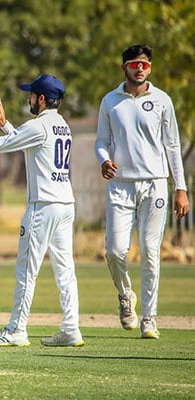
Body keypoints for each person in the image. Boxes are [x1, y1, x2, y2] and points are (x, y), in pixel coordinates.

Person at [0, 74, 85, 347]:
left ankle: (16, 330)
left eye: (32, 95)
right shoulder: (61, 125)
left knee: (27, 270)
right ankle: (71, 329)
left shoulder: (39, 125)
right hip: (64, 205)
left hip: (42, 207)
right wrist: (5, 125)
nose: (29, 99)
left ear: (42, 99)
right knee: (65, 271)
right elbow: (29, 143)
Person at [95, 44, 190, 339]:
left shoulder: (162, 100)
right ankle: (126, 296)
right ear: (124, 67)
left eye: (145, 65)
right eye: (135, 64)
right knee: (113, 250)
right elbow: (101, 141)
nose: (140, 69)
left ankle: (149, 318)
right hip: (121, 184)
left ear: (150, 68)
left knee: (150, 251)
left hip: (155, 182)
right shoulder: (110, 101)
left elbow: (172, 146)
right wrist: (104, 160)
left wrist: (181, 187)